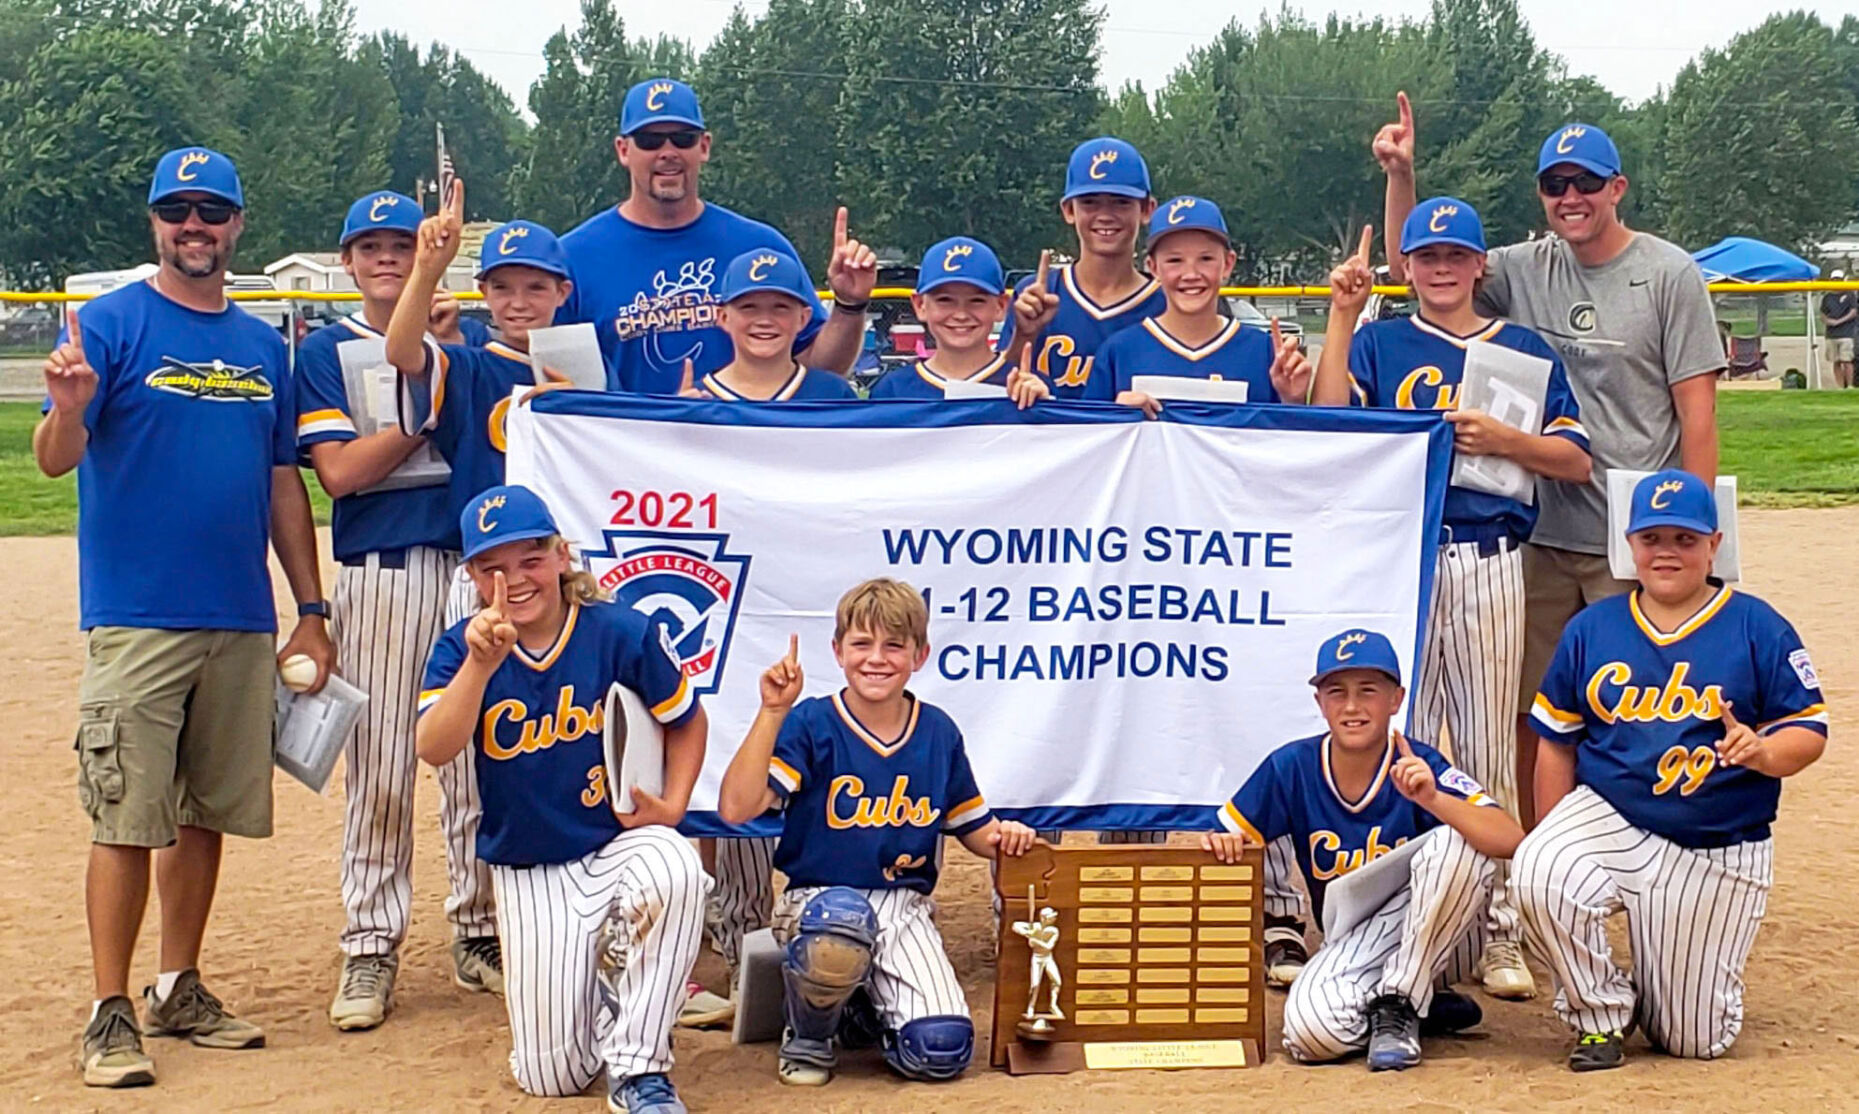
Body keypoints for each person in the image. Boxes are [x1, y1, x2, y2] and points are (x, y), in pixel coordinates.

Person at [37, 146, 336, 1088]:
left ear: (237, 224)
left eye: (212, 211)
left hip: (240, 619)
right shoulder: (113, 324)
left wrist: (311, 607)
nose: (194, 226)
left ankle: (178, 985)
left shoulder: (260, 346)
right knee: (128, 814)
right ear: (157, 224)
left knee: (204, 814)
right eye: (178, 212)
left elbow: (283, 482)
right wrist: (69, 410)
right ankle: (109, 1009)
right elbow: (53, 460)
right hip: (138, 614)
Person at [1376, 102, 1724, 825]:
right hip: (1534, 534)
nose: (1570, 198)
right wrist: (1402, 175)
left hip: (1629, 530)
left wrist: (1693, 535)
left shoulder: (1666, 273)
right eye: (1554, 184)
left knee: (1637, 706)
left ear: (1616, 188)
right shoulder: (1522, 267)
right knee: (1532, 711)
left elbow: (1696, 414)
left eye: (1585, 183)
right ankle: (1537, 859)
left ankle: (1642, 848)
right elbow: (1415, 260)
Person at [1315, 197, 1593, 1001]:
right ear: (1406, 268)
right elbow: (1331, 422)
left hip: (1487, 555)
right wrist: (1339, 320)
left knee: (1477, 741)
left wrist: (1504, 441)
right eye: (1425, 256)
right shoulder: (1380, 340)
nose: (1439, 268)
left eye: (1454, 256)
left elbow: (1574, 460)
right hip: (1399, 557)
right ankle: (1410, 915)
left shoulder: (1521, 349)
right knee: (1402, 738)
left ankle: (1501, 926)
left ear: (1479, 267)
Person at [1515, 470, 1827, 1071]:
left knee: (1690, 1039)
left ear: (1714, 545)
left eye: (1684, 539)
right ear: (1629, 545)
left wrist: (1764, 752)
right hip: (1613, 814)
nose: (1666, 552)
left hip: (1716, 842)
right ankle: (1599, 1014)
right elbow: (1554, 741)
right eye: (1652, 537)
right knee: (1538, 868)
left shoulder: (1758, 625)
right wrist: (1551, 845)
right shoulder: (1593, 628)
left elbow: (1809, 730)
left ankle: (1656, 991)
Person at [416, 485, 710, 1113]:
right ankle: (607, 990)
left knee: (677, 867)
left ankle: (640, 1069)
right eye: (492, 567)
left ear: (561, 556)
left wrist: (675, 804)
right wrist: (479, 666)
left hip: (614, 845)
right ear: (471, 576)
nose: (514, 580)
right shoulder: (459, 647)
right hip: (528, 866)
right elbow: (435, 747)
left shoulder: (618, 631)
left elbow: (687, 719)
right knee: (553, 1075)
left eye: (530, 559)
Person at [294, 190, 500, 1032]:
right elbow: (340, 474)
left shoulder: (473, 338)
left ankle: (480, 929)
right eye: (370, 246)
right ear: (348, 262)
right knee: (379, 763)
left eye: (400, 244)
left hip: (476, 564)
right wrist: (429, 397)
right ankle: (370, 944)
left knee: (477, 761)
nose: (388, 257)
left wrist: (448, 362)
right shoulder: (324, 349)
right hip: (382, 570)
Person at [716, 578, 1038, 1086]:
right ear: (838, 651)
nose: (877, 659)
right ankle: (809, 1033)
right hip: (819, 899)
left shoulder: (937, 730)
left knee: (941, 1051)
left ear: (920, 654)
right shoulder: (813, 722)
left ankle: (859, 1010)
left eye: (894, 645)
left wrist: (1007, 837)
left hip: (902, 905)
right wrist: (773, 712)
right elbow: (736, 808)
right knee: (840, 925)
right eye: (862, 644)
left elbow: (972, 825)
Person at [1204, 629, 1524, 1071]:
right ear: (1320, 703)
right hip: (1354, 942)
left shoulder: (1420, 764)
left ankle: (1401, 999)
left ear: (1396, 699)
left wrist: (1433, 799)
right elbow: (1226, 833)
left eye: (1368, 691)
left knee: (1457, 839)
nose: (1352, 706)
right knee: (1310, 1037)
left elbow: (1509, 839)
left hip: (1439, 937)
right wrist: (1224, 843)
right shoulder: (1293, 766)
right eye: (1337, 692)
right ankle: (1415, 1008)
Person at [558, 77, 875, 394]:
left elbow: (818, 372)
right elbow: (559, 386)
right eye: (649, 140)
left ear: (704, 146)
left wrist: (849, 306)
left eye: (683, 138)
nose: (668, 152)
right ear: (624, 149)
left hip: (742, 441)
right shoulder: (573, 257)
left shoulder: (759, 247)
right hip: (625, 442)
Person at [1098, 196, 1312, 417]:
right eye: (1174, 260)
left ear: (1228, 264)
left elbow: (1288, 443)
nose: (1191, 274)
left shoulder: (1262, 352)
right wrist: (1115, 416)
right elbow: (1086, 441)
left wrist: (1292, 400)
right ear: (1153, 267)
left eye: (1206, 258)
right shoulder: (1120, 351)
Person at [997, 137, 1166, 401]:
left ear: (1147, 209)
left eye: (1121, 202)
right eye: (1090, 202)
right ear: (1068, 210)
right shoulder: (1037, 295)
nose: (1105, 214)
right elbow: (995, 391)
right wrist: (1024, 335)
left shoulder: (1166, 303)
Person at [868, 236, 1048, 407]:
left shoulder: (1026, 386)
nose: (961, 315)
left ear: (1001, 306)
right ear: (920, 305)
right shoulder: (893, 390)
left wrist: (1045, 408)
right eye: (945, 300)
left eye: (977, 301)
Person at [694, 250, 861, 401]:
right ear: (723, 317)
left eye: (780, 308)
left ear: (803, 318)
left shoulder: (832, 393)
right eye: (749, 308)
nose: (765, 321)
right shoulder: (697, 401)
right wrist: (680, 425)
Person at [1818, 269, 1855, 388]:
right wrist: (1829, 322)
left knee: (1847, 361)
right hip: (1831, 334)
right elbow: (1823, 314)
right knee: (1836, 361)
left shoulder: (1850, 295)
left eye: (1838, 280)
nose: (1836, 282)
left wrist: (1839, 321)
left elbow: (1853, 312)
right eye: (1834, 280)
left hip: (1846, 333)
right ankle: (1840, 386)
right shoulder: (1827, 297)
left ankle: (1849, 385)